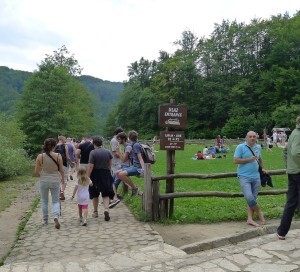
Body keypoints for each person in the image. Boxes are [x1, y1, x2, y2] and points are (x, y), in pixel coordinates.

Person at [234, 131, 266, 227]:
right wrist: (249, 159)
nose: (252, 138)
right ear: (246, 138)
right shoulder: (240, 147)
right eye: (250, 136)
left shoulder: (258, 147)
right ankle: (260, 213)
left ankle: (250, 219)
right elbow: (235, 160)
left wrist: (262, 168)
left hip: (256, 176)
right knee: (249, 197)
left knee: (252, 199)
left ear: (256, 138)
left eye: (254, 136)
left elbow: (259, 158)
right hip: (244, 176)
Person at [277, 116, 300, 240]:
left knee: (291, 202)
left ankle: (281, 231)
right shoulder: (298, 134)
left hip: (293, 172)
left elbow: (285, 151)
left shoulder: (294, 133)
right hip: (298, 172)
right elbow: (296, 153)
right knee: (292, 202)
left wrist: (289, 166)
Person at [35, 138, 65, 229]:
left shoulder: (40, 156)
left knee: (44, 200)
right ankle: (56, 216)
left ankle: (45, 220)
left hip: (44, 180)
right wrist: (63, 179)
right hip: (55, 179)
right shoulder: (58, 156)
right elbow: (62, 170)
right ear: (54, 146)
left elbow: (36, 171)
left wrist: (42, 174)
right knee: (56, 200)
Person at [87, 136, 115, 221]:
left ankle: (95, 212)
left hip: (95, 174)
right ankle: (106, 209)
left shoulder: (93, 152)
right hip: (106, 173)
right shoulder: (107, 151)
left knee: (95, 193)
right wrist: (109, 172)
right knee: (106, 192)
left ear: (94, 144)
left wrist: (87, 176)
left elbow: (91, 166)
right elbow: (110, 163)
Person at [115, 130, 142, 196]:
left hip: (129, 166)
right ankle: (133, 188)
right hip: (130, 166)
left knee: (116, 180)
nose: (118, 141)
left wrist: (118, 152)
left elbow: (123, 160)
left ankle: (134, 188)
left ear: (123, 139)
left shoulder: (128, 147)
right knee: (116, 174)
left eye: (119, 139)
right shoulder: (128, 146)